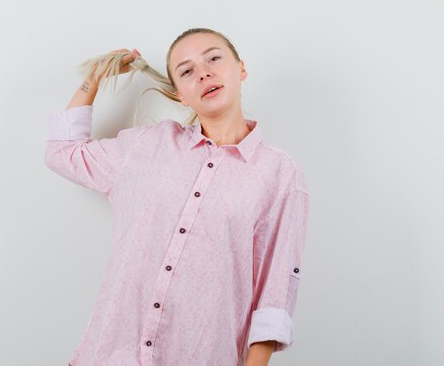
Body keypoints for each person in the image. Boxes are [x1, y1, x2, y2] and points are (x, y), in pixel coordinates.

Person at [44, 28, 310, 366]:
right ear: (181, 95)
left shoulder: (279, 173)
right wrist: (95, 76)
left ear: (240, 69)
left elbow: (275, 293)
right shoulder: (148, 146)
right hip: (110, 355)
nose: (204, 73)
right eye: (187, 71)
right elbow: (63, 152)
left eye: (214, 58)